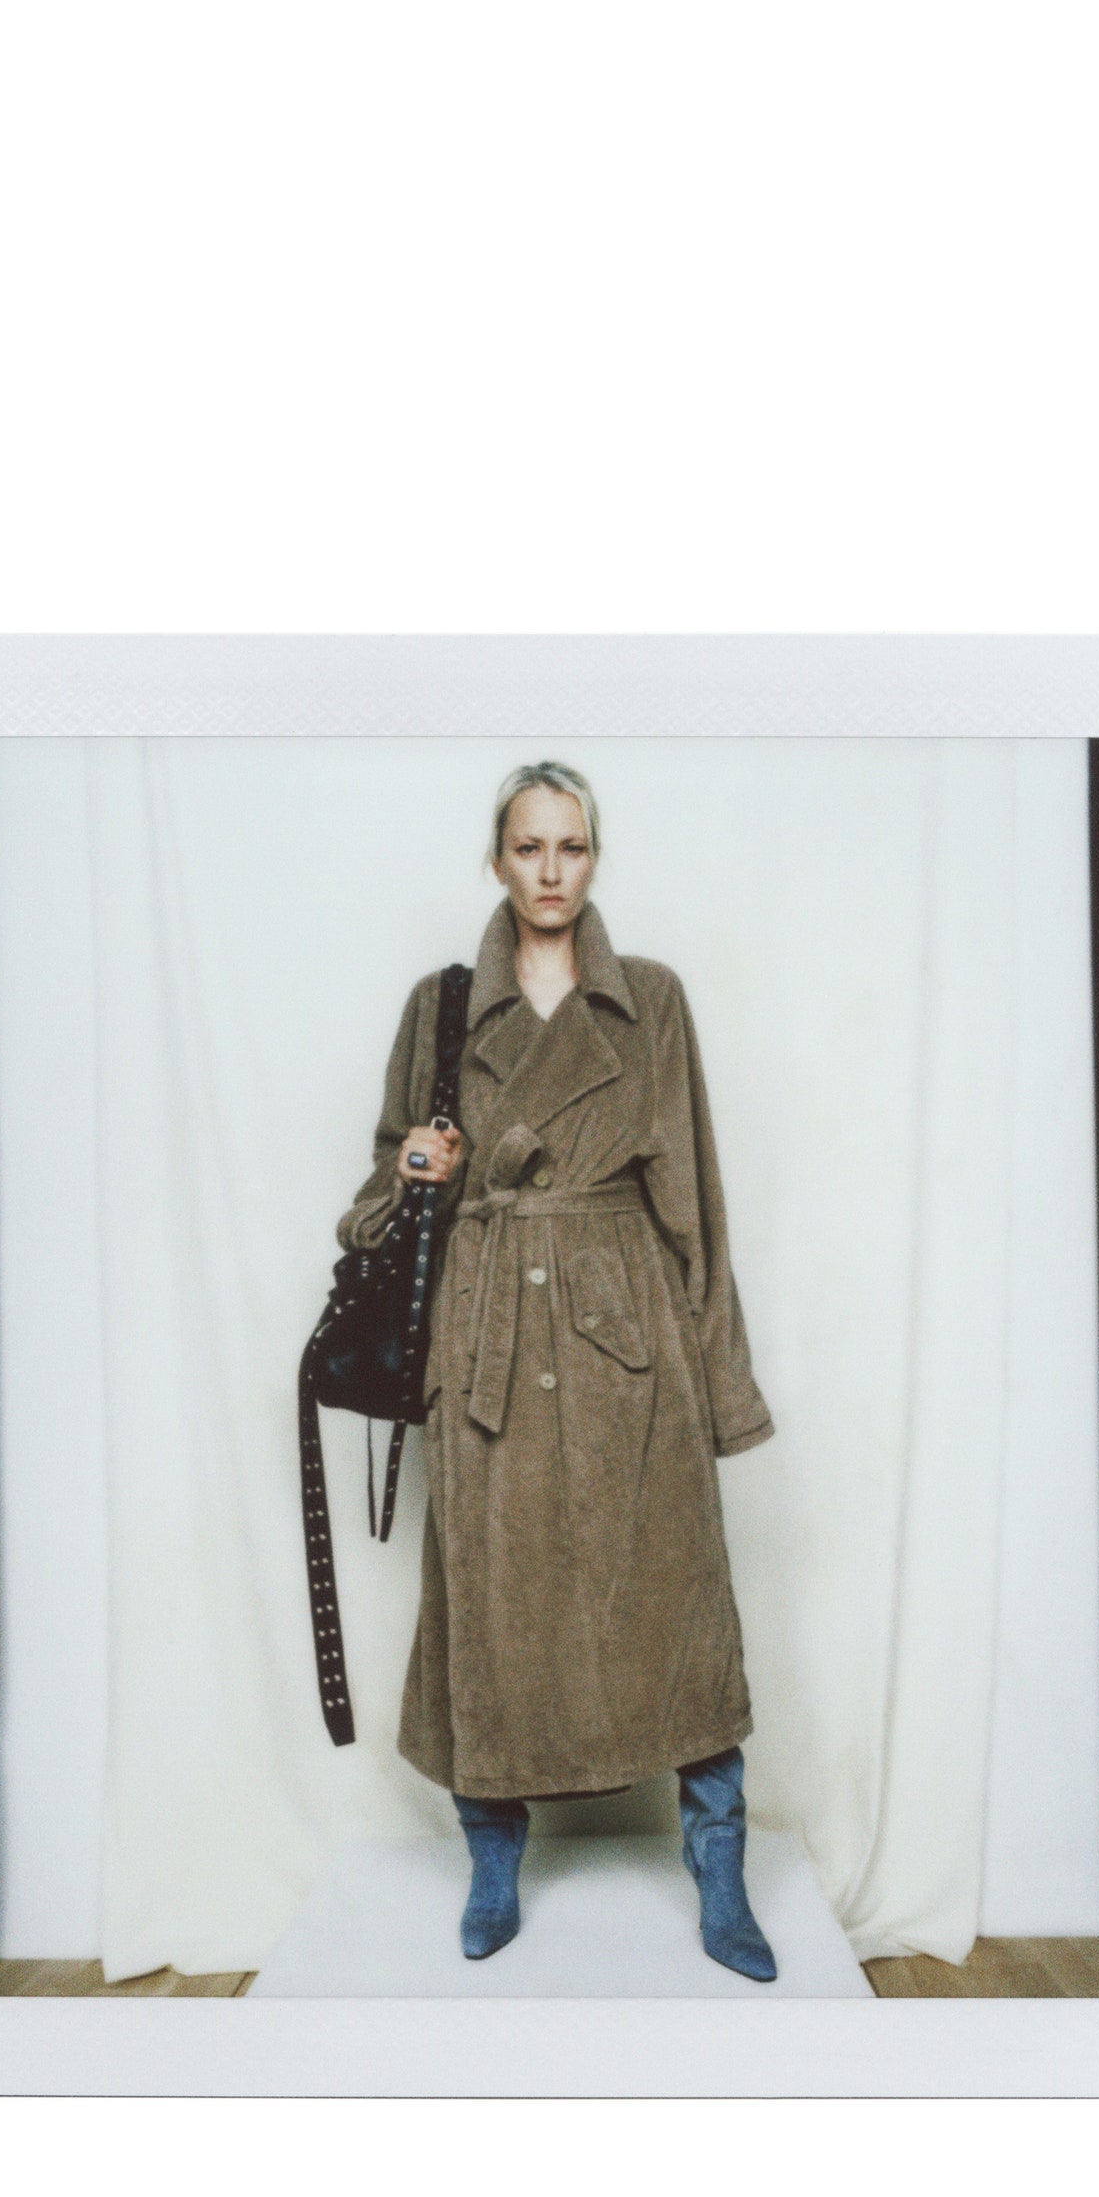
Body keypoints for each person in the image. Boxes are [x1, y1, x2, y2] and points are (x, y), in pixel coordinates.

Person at [337, 763, 780, 1981]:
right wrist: (415, 1172)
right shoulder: (440, 1011)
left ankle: (721, 1871)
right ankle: (493, 1864)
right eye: (528, 847)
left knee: (677, 1600)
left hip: (625, 1333)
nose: (549, 870)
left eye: (570, 847)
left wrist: (717, 1388)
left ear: (593, 859)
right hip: (486, 1338)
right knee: (489, 1611)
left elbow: (694, 1200)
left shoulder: (652, 1001)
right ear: (497, 860)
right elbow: (380, 1192)